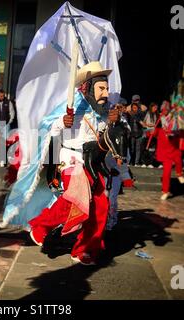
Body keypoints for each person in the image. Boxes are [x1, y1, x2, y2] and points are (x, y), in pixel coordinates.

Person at [28, 61, 119, 265]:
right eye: (101, 88)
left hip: (94, 164)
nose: (105, 93)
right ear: (87, 86)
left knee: (101, 206)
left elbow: (107, 138)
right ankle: (41, 226)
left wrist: (113, 121)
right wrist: (62, 122)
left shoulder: (105, 110)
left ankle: (85, 248)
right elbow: (47, 126)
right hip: (72, 160)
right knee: (75, 202)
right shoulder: (70, 104)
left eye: (107, 88)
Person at [155, 101, 184, 200]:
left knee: (179, 158)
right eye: (163, 110)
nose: (164, 112)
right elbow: (154, 132)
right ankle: (165, 191)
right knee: (166, 173)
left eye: (166, 110)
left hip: (174, 149)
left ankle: (179, 173)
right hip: (166, 152)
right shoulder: (160, 125)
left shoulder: (176, 120)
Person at [0, 89, 15, 167]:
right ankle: (1, 160)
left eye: (3, 95)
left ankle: (7, 160)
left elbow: (12, 113)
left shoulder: (8, 102)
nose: (2, 97)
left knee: (6, 143)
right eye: (1, 96)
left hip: (6, 124)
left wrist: (9, 122)